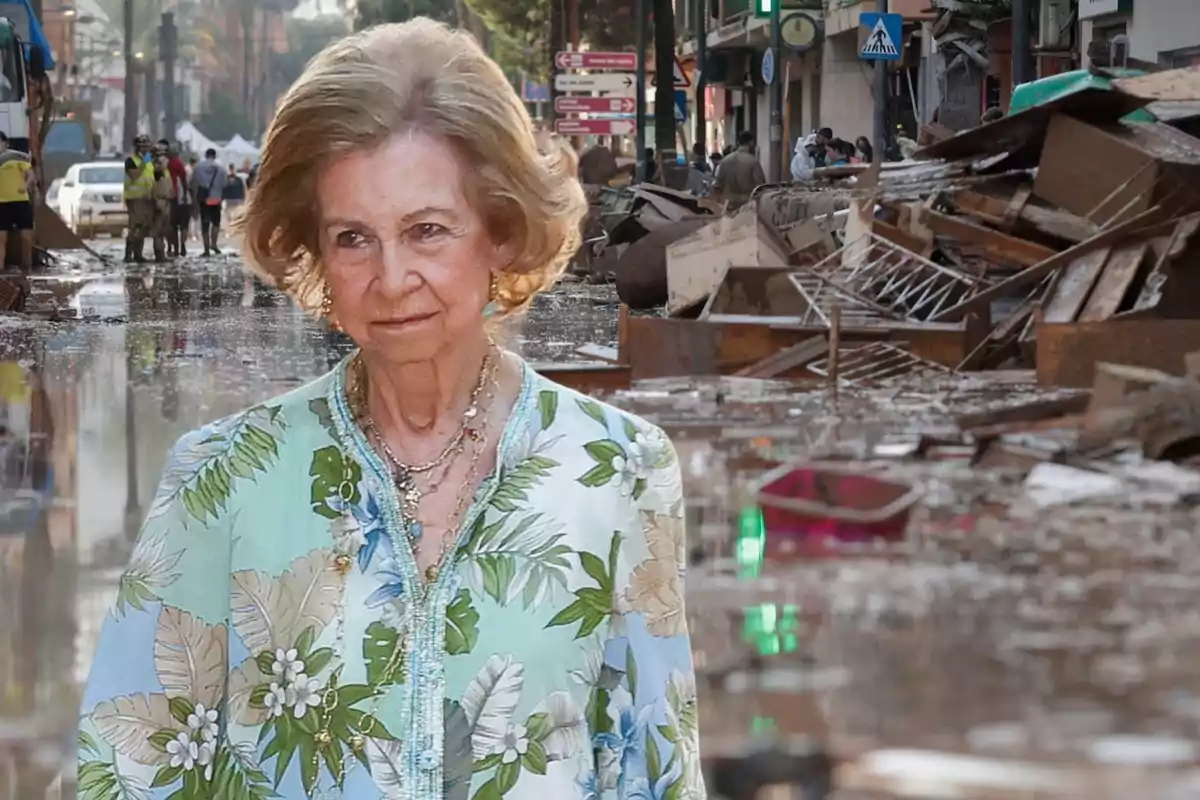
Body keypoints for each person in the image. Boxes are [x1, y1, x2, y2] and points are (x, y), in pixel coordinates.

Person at [78, 18, 705, 800]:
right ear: (314, 251)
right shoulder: (224, 476)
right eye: (353, 238)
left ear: (501, 233)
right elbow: (129, 769)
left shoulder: (618, 468)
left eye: (428, 230)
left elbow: (654, 770)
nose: (392, 274)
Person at [713, 128, 766, 209]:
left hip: (727, 205)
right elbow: (761, 187)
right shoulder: (753, 162)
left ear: (738, 143)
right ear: (751, 143)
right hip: (747, 206)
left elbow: (718, 186)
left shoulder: (724, 161)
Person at [123, 134, 155, 263]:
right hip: (134, 198)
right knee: (135, 226)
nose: (145, 149)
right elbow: (135, 176)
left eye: (147, 147)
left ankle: (138, 254)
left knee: (143, 227)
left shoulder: (149, 162)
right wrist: (144, 163)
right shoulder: (131, 161)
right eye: (142, 147)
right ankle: (128, 254)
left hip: (147, 198)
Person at [190, 147, 226, 256]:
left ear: (206, 155)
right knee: (216, 222)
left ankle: (206, 249)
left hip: (204, 197)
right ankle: (214, 244)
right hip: (215, 197)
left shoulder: (198, 167)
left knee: (205, 223)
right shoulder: (221, 168)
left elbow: (193, 182)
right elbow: (224, 184)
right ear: (214, 156)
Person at [149, 143, 174, 262]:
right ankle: (159, 254)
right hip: (159, 201)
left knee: (163, 230)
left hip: (166, 201)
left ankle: (161, 253)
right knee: (158, 230)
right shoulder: (155, 169)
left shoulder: (164, 170)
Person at [166, 143, 190, 256]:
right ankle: (183, 245)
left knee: (172, 225)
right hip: (181, 198)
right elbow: (184, 180)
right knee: (184, 225)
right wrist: (186, 195)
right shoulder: (179, 163)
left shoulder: (165, 164)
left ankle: (173, 247)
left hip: (170, 197)